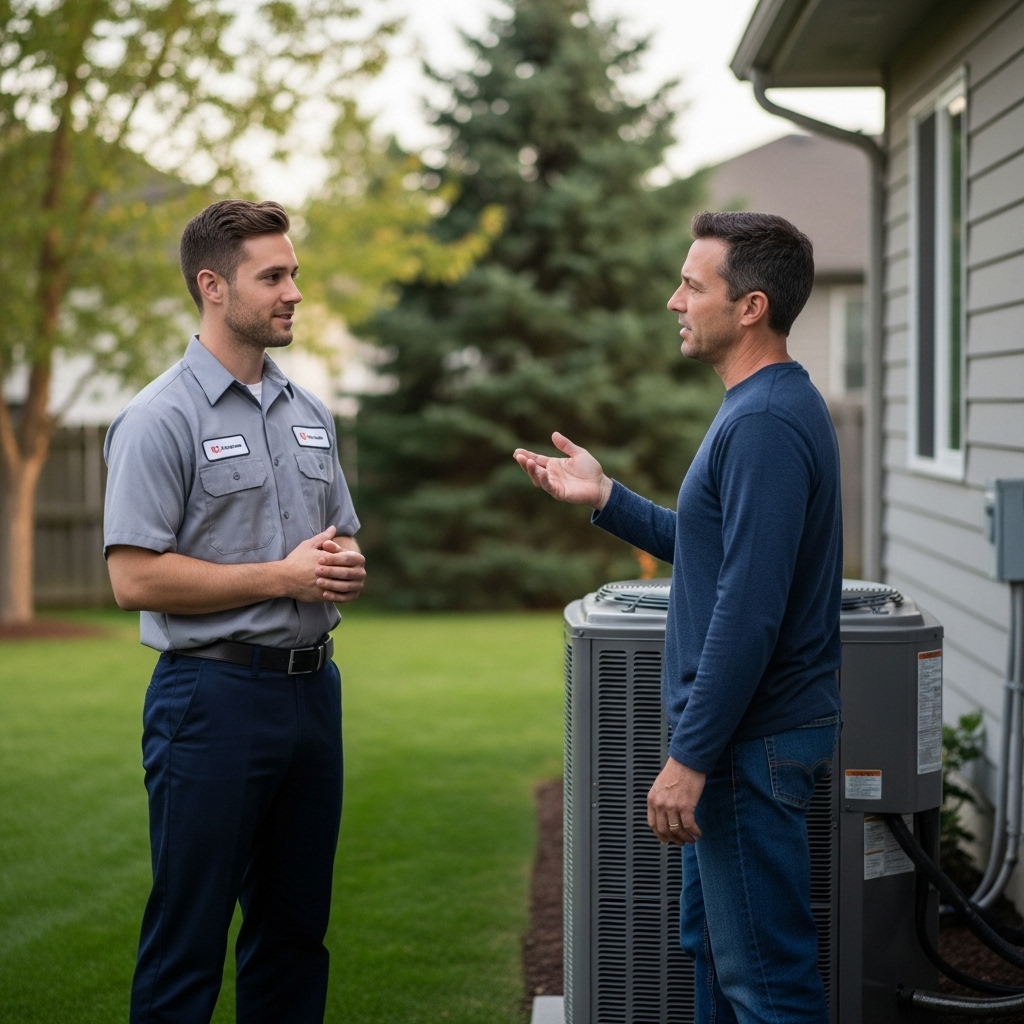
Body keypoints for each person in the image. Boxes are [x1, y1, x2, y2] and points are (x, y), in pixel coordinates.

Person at [514, 211, 842, 1024]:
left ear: (751, 307)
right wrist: (607, 497)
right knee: (720, 959)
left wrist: (690, 756)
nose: (674, 301)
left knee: (767, 985)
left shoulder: (764, 423)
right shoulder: (760, 407)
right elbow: (714, 552)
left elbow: (750, 609)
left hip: (747, 741)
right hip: (743, 738)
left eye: (693, 286)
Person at [103, 199, 366, 1024]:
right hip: (210, 700)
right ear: (213, 287)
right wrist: (281, 577)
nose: (294, 293)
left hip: (312, 695)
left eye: (294, 274)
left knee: (294, 935)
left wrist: (343, 565)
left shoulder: (310, 414)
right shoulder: (158, 418)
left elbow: (339, 537)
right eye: (273, 277)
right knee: (188, 940)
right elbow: (133, 580)